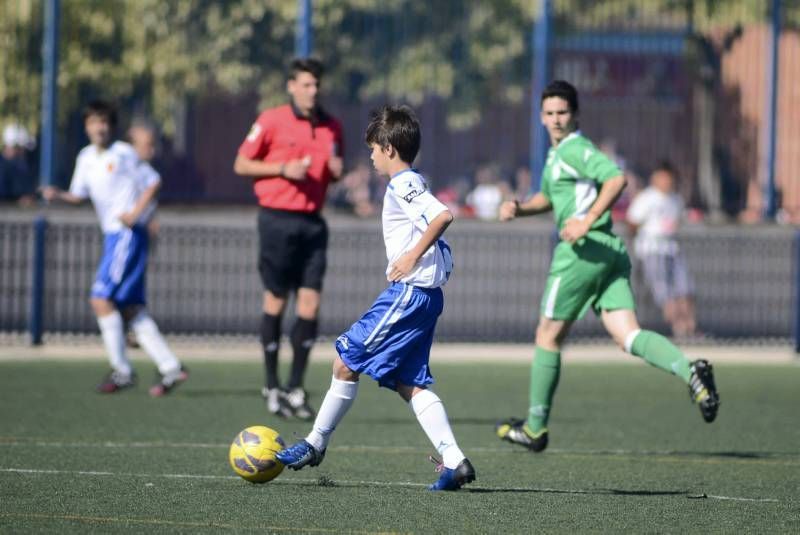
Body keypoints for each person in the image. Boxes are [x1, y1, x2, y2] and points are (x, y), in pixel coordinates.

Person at [494, 81, 720, 453]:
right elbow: (549, 197)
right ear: (540, 116)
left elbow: (617, 179)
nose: (555, 119)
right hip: (609, 253)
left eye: (562, 112)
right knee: (628, 336)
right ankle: (689, 370)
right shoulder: (557, 155)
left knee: (547, 337)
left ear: (576, 115)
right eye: (549, 113)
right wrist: (520, 207)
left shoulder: (575, 148)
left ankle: (535, 428)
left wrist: (586, 220)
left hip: (581, 253)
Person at [276, 105, 476, 491]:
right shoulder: (411, 181)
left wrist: (410, 256)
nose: (369, 156)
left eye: (372, 149)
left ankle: (315, 444)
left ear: (387, 148)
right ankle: (455, 462)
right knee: (408, 382)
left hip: (409, 293)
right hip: (428, 297)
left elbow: (442, 215)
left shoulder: (403, 183)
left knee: (344, 360)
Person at [41, 100, 188, 397]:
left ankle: (122, 369)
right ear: (86, 127)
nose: (100, 127)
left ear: (111, 126)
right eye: (94, 122)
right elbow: (79, 194)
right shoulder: (85, 158)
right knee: (130, 307)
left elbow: (153, 182)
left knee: (100, 298)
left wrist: (135, 214)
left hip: (126, 234)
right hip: (113, 236)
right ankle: (170, 366)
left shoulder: (123, 153)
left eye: (105, 122)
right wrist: (58, 195)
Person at [233, 58, 344, 420]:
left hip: (313, 223)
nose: (313, 91)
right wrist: (281, 168)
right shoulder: (271, 120)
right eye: (306, 85)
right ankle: (271, 384)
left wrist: (336, 173)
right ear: (291, 86)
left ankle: (296, 387)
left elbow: (333, 169)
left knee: (310, 305)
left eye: (316, 85)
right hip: (277, 220)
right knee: (276, 299)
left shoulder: (332, 126)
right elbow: (241, 164)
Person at [627, 162, 698, 338]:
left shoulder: (675, 199)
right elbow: (632, 222)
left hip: (672, 249)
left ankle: (690, 326)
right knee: (664, 292)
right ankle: (678, 327)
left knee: (685, 289)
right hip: (653, 249)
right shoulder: (647, 198)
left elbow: (678, 220)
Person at [0, 123, 37, 206]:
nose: (23, 151)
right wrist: (18, 200)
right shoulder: (3, 167)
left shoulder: (19, 165)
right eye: (21, 148)